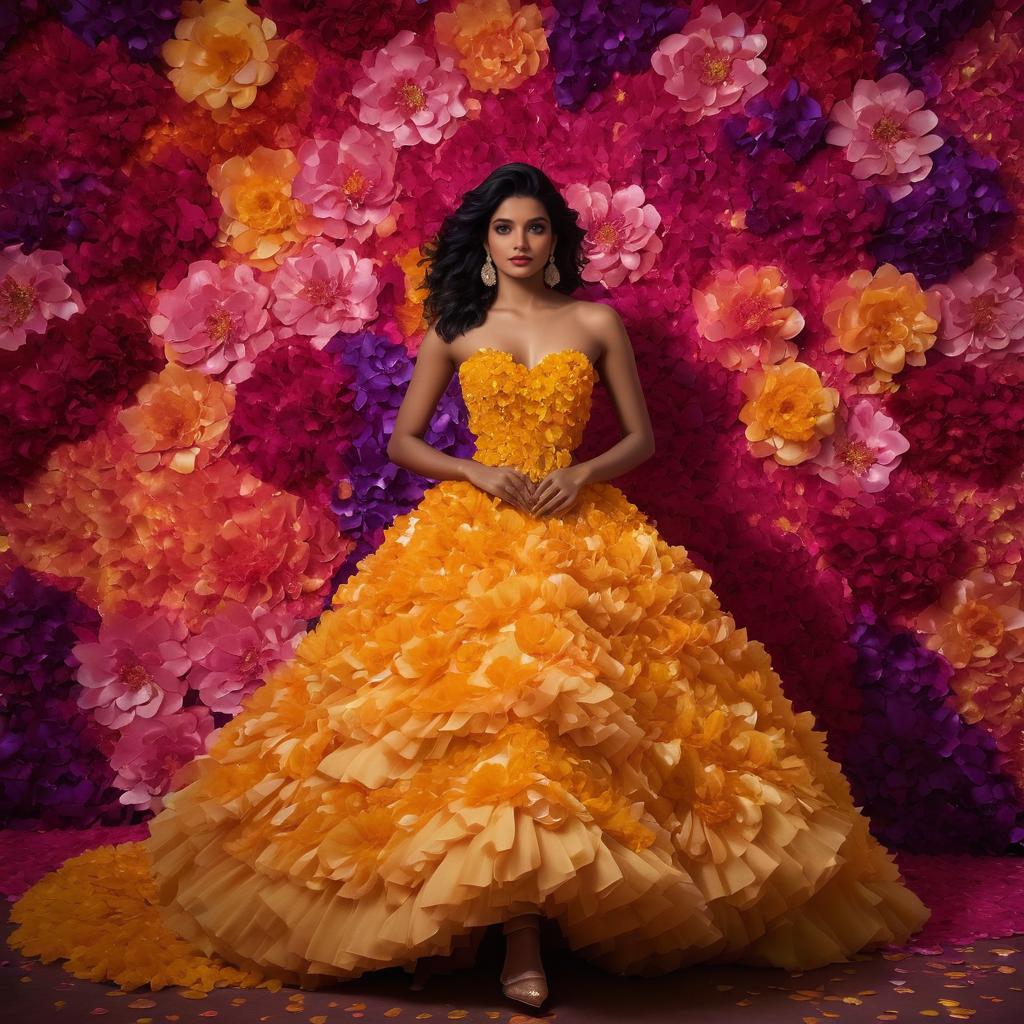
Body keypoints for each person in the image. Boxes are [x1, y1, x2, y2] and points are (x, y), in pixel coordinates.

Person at [8, 162, 930, 1011]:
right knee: (477, 715)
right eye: (503, 229)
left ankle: (547, 920)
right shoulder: (459, 327)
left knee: (579, 718)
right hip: (477, 527)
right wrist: (481, 474)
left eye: (534, 228)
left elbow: (640, 440)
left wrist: (582, 475)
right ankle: (503, 928)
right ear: (484, 243)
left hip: (580, 526)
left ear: (554, 239)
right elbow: (406, 441)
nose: (520, 243)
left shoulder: (594, 323)